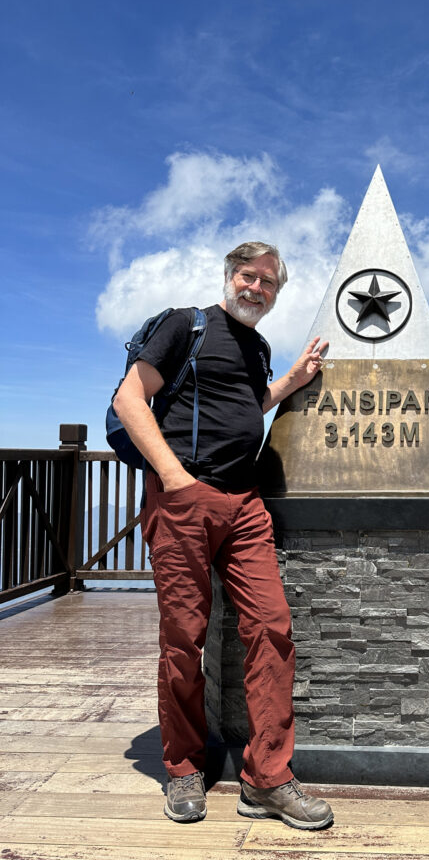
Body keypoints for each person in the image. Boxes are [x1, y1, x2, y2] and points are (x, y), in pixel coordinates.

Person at [113, 241, 334, 828]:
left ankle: (267, 778)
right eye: (248, 276)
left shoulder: (256, 345)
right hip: (184, 499)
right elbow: (128, 398)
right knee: (183, 638)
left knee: (272, 628)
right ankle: (183, 766)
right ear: (229, 276)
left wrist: (291, 379)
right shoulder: (183, 325)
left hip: (246, 503)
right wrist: (172, 477)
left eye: (268, 283)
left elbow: (247, 405)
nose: (256, 288)